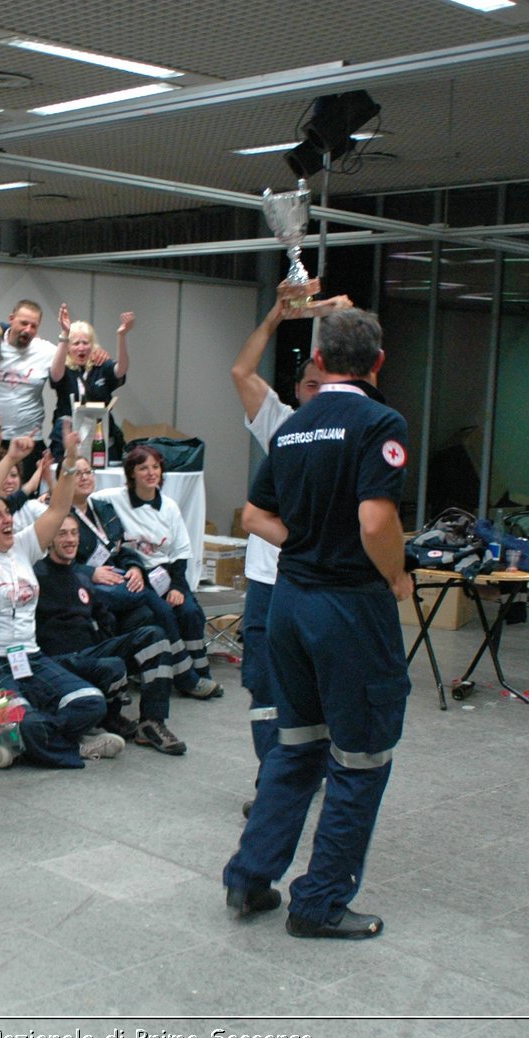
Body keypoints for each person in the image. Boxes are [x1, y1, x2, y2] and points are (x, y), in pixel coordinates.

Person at [221, 306, 411, 941]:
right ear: (379, 363)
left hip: (290, 605)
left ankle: (250, 876)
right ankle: (321, 902)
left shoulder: (296, 428)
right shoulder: (381, 423)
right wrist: (396, 577)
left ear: (320, 363)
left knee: (294, 746)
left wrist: (303, 542)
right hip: (350, 609)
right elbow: (376, 522)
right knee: (360, 756)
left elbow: (252, 514)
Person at [229, 280, 344, 812]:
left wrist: (342, 317)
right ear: (299, 391)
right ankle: (273, 778)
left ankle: (300, 771)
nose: (318, 394)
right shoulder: (281, 424)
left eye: (328, 385)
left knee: (315, 680)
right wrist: (276, 315)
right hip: (267, 581)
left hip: (317, 581)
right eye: (311, 386)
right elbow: (241, 373)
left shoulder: (354, 433)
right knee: (261, 683)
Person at [0, 429, 108, 768]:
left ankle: (19, 742)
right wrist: (11, 458)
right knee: (23, 717)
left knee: (92, 702)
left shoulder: (25, 545)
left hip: (30, 655)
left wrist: (69, 461)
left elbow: (58, 509)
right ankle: (66, 743)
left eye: (7, 514)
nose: (6, 520)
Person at [34, 513, 185, 755]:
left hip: (90, 652)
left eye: (74, 533)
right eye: (62, 533)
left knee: (154, 636)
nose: (70, 539)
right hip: (57, 662)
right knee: (111, 665)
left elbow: (104, 621)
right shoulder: (36, 576)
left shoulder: (82, 577)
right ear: (48, 539)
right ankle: (108, 717)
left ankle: (152, 722)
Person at [95, 445, 223, 700]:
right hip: (136, 572)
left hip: (166, 573)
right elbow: (81, 498)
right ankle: (188, 678)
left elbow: (180, 552)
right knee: (163, 612)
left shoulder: (169, 507)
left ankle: (201, 671)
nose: (151, 473)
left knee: (188, 611)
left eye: (155, 467)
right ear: (131, 473)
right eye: (143, 468)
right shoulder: (113, 497)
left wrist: (177, 586)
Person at [50, 306, 129, 460]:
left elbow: (121, 370)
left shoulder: (101, 365)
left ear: (92, 345)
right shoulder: (62, 366)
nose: (81, 348)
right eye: (76, 343)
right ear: (68, 347)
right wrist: (65, 333)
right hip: (69, 438)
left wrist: (122, 336)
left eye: (85, 343)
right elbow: (55, 375)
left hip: (101, 436)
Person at [0, 300, 58, 447]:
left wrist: (97, 352)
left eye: (34, 326)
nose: (28, 330)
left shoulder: (46, 350)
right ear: (11, 319)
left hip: (30, 438)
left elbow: (75, 356)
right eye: (23, 323)